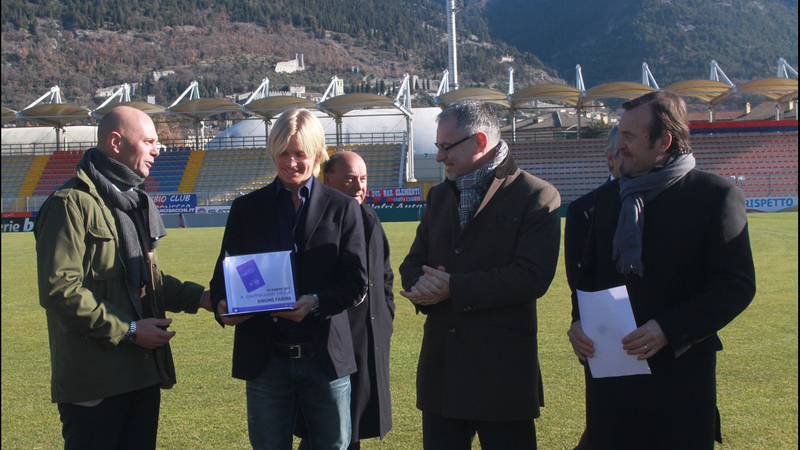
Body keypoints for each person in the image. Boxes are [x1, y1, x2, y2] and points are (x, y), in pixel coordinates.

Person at [567, 90, 756, 450]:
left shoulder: (714, 195)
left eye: (629, 136)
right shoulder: (608, 199)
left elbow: (735, 286)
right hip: (612, 385)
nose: (617, 145)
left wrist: (667, 329)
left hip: (679, 382)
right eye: (619, 133)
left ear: (664, 142)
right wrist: (579, 323)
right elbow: (587, 277)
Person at [34, 105, 212, 450]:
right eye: (148, 141)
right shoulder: (70, 204)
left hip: (141, 373)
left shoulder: (133, 202)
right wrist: (129, 331)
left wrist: (202, 298)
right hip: (96, 382)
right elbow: (59, 289)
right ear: (115, 142)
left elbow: (147, 279)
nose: (157, 150)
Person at [399, 100, 561, 450]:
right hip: (441, 375)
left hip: (501, 376)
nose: (440, 157)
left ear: (480, 142)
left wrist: (453, 288)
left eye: (445, 147)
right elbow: (412, 263)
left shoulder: (536, 195)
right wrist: (421, 285)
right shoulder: (440, 197)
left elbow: (532, 276)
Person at [209, 109, 368, 450]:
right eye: (283, 152)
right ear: (272, 152)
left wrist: (316, 302)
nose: (291, 162)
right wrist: (224, 306)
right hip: (266, 360)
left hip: (324, 358)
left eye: (300, 154)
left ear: (317, 154)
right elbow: (223, 277)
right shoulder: (246, 208)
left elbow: (357, 282)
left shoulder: (343, 208)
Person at [296, 151, 395, 449]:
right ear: (328, 179)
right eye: (350, 178)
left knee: (353, 425)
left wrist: (385, 313)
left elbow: (385, 274)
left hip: (369, 337)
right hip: (334, 340)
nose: (359, 186)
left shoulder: (369, 215)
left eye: (363, 179)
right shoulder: (318, 219)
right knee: (326, 429)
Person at [564, 124, 620, 290]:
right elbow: (580, 282)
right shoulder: (583, 210)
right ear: (610, 158)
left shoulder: (665, 202)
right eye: (627, 154)